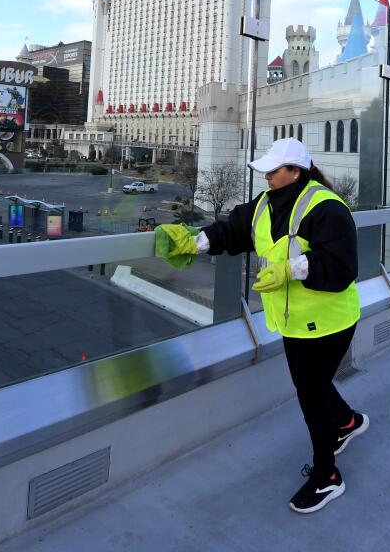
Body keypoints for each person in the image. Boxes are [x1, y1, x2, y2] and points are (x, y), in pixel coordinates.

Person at [154, 137, 368, 514]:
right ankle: (347, 422)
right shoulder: (265, 206)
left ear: (296, 172)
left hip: (330, 322)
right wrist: (194, 242)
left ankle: (327, 477)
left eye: (273, 171)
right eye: (266, 170)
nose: (266, 177)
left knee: (310, 392)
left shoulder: (326, 207)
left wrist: (291, 269)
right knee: (311, 384)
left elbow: (342, 265)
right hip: (293, 320)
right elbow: (233, 230)